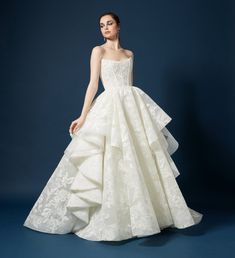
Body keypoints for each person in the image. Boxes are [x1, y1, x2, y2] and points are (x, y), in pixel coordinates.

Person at [23, 11, 203, 241]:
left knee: (137, 157)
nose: (105, 28)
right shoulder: (98, 51)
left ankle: (144, 216)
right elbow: (93, 84)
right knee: (108, 158)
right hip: (109, 106)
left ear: (118, 26)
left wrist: (135, 113)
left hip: (131, 106)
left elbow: (129, 84)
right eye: (101, 25)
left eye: (109, 24)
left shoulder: (129, 53)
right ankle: (110, 216)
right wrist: (83, 116)